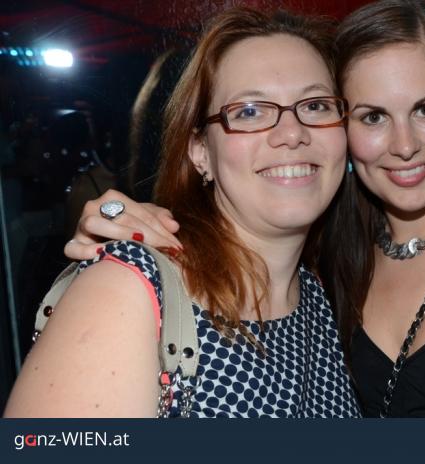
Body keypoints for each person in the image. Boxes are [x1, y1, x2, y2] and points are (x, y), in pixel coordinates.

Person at [61, 0, 425, 418]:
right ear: (343, 127)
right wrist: (113, 227)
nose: (404, 144)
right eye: (373, 116)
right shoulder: (327, 257)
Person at [4, 7, 360, 418]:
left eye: (315, 105)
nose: (292, 133)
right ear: (200, 151)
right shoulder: (131, 292)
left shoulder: (317, 293)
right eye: (249, 111)